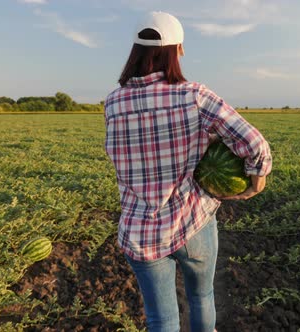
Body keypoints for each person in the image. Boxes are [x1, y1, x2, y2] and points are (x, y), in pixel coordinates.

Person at [104, 11, 272, 332]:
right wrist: (255, 183)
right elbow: (254, 143)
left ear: (134, 51)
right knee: (201, 295)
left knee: (161, 320)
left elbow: (145, 145)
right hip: (192, 222)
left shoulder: (113, 103)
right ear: (177, 50)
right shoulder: (193, 95)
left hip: (140, 233)